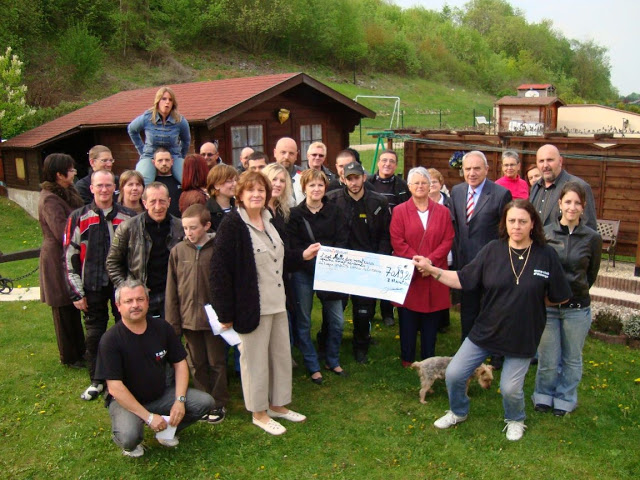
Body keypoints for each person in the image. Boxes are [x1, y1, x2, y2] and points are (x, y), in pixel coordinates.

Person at [415, 199, 572, 441]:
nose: (516, 226)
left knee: (510, 388)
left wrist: (529, 304)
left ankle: (515, 419)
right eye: (511, 221)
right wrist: (433, 269)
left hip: (522, 334)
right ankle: (458, 411)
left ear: (533, 224)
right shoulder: (492, 250)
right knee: (455, 373)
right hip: (486, 330)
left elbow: (558, 296)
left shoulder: (546, 255)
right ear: (505, 223)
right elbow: (463, 279)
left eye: (522, 221)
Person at [210, 171, 320, 436]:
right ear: (240, 195)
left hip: (278, 304)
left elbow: (278, 259)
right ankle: (259, 413)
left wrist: (302, 255)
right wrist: (224, 313)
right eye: (251, 191)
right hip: (251, 308)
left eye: (261, 190)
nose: (257, 195)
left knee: (281, 357)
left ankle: (277, 405)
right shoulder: (233, 226)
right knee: (255, 362)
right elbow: (219, 273)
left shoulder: (270, 220)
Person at [94, 280, 214, 458]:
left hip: (159, 395)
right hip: (124, 401)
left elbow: (180, 363)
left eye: (140, 299)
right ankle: (130, 433)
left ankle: (167, 431)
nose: (135, 305)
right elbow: (115, 387)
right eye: (129, 301)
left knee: (206, 402)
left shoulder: (162, 328)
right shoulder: (110, 340)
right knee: (129, 437)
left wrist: (179, 401)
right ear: (118, 306)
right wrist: (148, 417)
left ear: (147, 302)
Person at [64, 169, 136, 401]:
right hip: (91, 285)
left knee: (125, 330)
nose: (104, 190)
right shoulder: (78, 217)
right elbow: (69, 256)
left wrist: (134, 287)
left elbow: (137, 253)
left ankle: (125, 375)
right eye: (99, 186)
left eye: (108, 185)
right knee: (94, 334)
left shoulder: (128, 216)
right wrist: (76, 293)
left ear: (114, 188)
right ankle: (97, 379)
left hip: (122, 286)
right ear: (92, 188)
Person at [533, 182, 602, 416]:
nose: (572, 207)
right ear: (560, 204)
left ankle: (565, 397)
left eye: (577, 203)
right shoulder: (546, 232)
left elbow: (591, 273)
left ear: (583, 208)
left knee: (572, 358)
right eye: (568, 202)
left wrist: (575, 291)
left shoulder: (592, 238)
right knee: (548, 357)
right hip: (549, 308)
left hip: (577, 309)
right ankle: (543, 394)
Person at [165, 204, 229, 424]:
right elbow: (171, 290)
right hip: (188, 319)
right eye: (185, 228)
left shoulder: (218, 249)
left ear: (207, 226)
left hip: (214, 321)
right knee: (195, 363)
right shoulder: (178, 251)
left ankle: (219, 402)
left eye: (193, 228)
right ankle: (203, 401)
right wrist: (173, 322)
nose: (188, 233)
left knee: (217, 362)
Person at [287, 169, 349, 384]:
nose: (316, 189)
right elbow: (294, 246)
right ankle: (312, 364)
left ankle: (332, 358)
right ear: (304, 188)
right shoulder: (295, 214)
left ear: (326, 188)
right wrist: (311, 261)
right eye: (311, 185)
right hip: (303, 273)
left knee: (337, 321)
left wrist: (329, 262)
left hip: (330, 273)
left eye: (320, 185)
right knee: (304, 321)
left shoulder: (335, 212)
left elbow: (342, 240)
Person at [326, 161, 391, 363]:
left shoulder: (378, 202)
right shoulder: (332, 200)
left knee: (364, 311)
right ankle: (327, 343)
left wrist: (379, 259)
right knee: (335, 309)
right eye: (349, 178)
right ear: (343, 180)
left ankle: (361, 344)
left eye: (357, 178)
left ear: (364, 178)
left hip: (367, 265)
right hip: (340, 265)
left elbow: (385, 235)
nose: (354, 182)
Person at [390, 167, 454, 367]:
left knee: (431, 319)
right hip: (411, 273)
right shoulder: (400, 211)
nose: (420, 186)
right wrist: (418, 262)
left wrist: (431, 263)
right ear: (409, 186)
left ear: (430, 186)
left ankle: (428, 357)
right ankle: (407, 358)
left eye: (424, 182)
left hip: (434, 273)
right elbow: (397, 240)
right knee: (408, 319)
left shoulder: (443, 212)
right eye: (415, 183)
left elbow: (448, 239)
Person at [449, 151, 512, 344]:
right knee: (468, 311)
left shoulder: (500, 194)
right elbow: (456, 229)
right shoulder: (457, 192)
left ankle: (495, 354)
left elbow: (506, 232)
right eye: (468, 169)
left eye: (477, 168)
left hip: (490, 265)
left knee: (492, 311)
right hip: (466, 264)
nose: (472, 173)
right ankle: (466, 352)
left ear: (486, 169)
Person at [106, 182, 183, 320]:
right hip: (141, 294)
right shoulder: (127, 228)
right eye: (153, 202)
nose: (158, 207)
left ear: (169, 202)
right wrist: (129, 288)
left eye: (162, 201)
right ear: (145, 203)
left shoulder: (180, 227)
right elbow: (113, 262)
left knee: (171, 336)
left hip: (171, 294)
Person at [38, 153, 86, 368]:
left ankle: (80, 350)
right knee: (63, 307)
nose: (74, 172)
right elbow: (61, 231)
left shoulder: (69, 193)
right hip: (57, 258)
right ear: (59, 174)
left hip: (69, 254)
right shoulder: (49, 199)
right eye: (71, 169)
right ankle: (69, 356)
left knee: (73, 305)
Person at [367, 149, 410, 327]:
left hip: (393, 234)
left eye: (391, 161)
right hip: (370, 234)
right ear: (378, 163)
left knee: (388, 275)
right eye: (384, 160)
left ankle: (387, 312)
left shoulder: (401, 186)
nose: (387, 164)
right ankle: (367, 311)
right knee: (369, 276)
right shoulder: (368, 182)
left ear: (396, 165)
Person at [128, 86, 191, 185]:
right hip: (149, 156)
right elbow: (132, 129)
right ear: (158, 101)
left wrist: (180, 157)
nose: (167, 102)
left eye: (170, 100)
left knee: (187, 181)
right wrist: (141, 149)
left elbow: (186, 141)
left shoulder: (180, 121)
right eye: (164, 99)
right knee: (143, 182)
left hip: (173, 156)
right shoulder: (147, 117)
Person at [530, 144, 597, 231]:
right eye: (541, 161)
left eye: (550, 160)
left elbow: (589, 228)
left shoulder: (580, 186)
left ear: (560, 161)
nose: (545, 165)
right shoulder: (535, 187)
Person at [427, 167, 454, 333]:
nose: (431, 185)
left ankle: (443, 321)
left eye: (434, 182)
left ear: (441, 183)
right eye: (428, 182)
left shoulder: (448, 202)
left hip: (445, 250)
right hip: (427, 249)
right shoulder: (419, 202)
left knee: (443, 284)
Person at [205, 164, 238, 231]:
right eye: (229, 181)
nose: (235, 184)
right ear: (216, 185)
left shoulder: (240, 207)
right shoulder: (207, 214)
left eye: (236, 180)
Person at [273, 137, 304, 205]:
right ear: (275, 153)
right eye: (283, 152)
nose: (286, 157)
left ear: (296, 155)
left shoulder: (304, 175)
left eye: (291, 153)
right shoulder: (266, 176)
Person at [152, 148, 182, 218]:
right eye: (160, 160)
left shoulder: (180, 181)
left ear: (172, 161)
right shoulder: (151, 183)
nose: (164, 163)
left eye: (167, 160)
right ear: (154, 163)